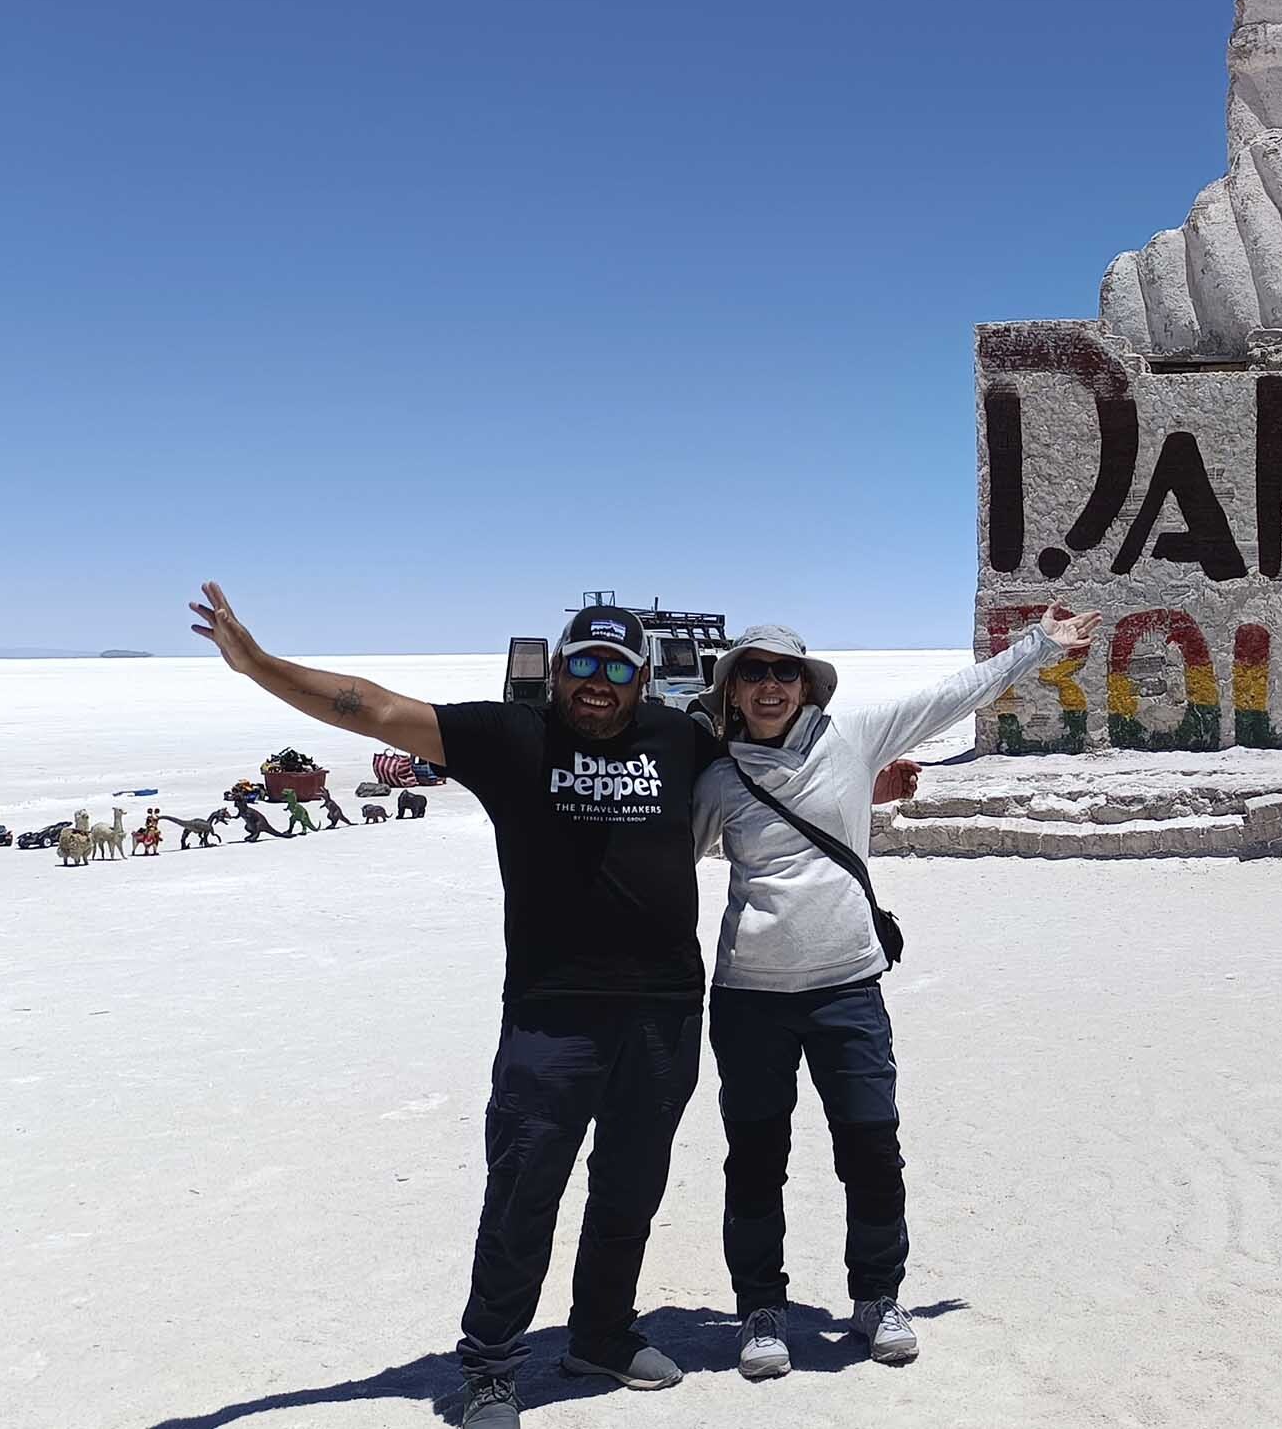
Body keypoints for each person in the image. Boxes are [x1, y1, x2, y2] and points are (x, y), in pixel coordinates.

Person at [187, 583, 914, 1429]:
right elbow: (373, 711)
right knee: (524, 1188)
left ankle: (601, 1333)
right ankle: (492, 1367)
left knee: (629, 1190)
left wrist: (874, 794)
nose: (597, 681)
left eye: (615, 665)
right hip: (552, 1013)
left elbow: (770, 790)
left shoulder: (682, 738)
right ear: (558, 671)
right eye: (582, 664)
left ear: (642, 678)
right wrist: (260, 666)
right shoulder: (510, 737)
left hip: (665, 1013)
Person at [693, 604, 1100, 1379]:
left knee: (872, 1150)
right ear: (733, 691)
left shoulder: (853, 740)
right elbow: (663, 858)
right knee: (755, 1158)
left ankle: (877, 1297)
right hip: (750, 998)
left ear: (807, 686)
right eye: (754, 673)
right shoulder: (719, 777)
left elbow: (951, 696)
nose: (771, 686)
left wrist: (1037, 646)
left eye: (785, 673)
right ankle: (760, 1310)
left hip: (847, 987)